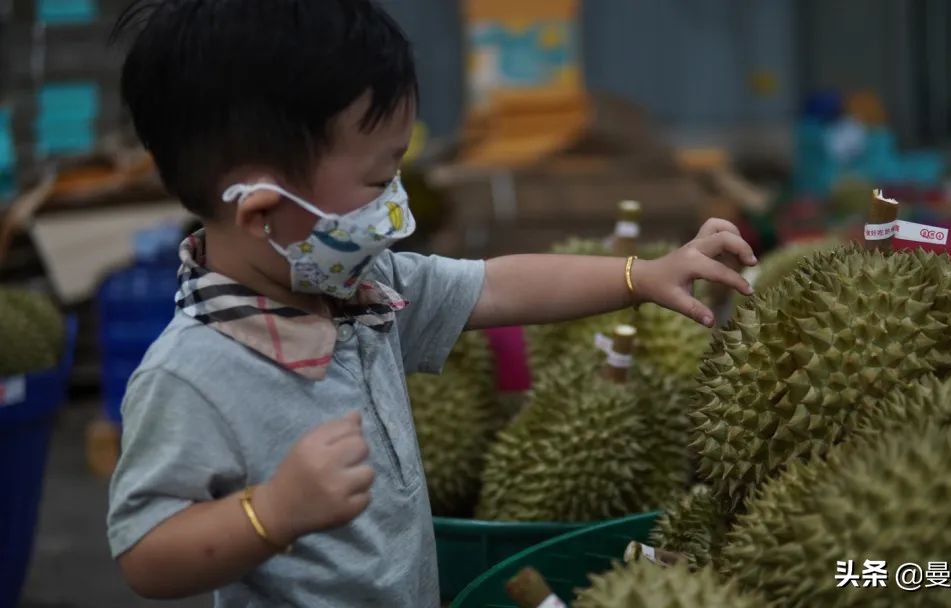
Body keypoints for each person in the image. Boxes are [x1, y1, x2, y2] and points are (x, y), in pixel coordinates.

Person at [105, 1, 757, 606]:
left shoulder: (364, 292)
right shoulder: (192, 374)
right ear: (262, 212)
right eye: (378, 181)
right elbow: (145, 553)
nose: (396, 203)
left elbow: (498, 285)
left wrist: (641, 276)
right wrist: (273, 512)